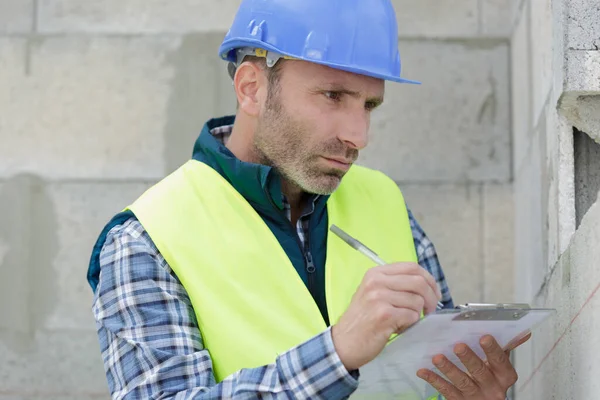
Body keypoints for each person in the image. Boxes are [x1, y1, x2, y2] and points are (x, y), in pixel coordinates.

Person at [87, 0, 529, 398]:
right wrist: (336, 354)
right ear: (251, 88)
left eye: (369, 106)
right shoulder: (147, 239)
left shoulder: (386, 203)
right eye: (333, 95)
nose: (358, 135)